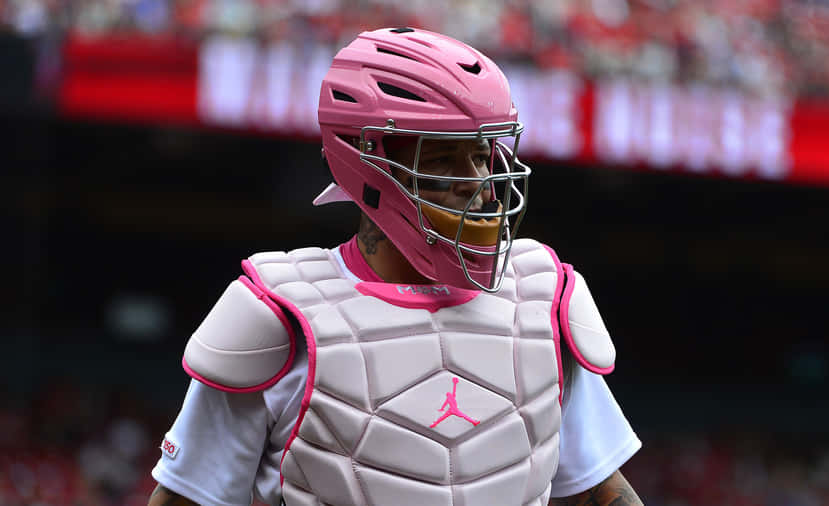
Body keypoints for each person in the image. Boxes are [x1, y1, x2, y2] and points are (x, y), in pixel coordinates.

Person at [149, 27, 643, 506]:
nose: (478, 184)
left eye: (483, 155)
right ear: (369, 162)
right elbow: (190, 496)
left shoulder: (541, 302)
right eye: (445, 158)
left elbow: (600, 490)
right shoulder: (276, 316)